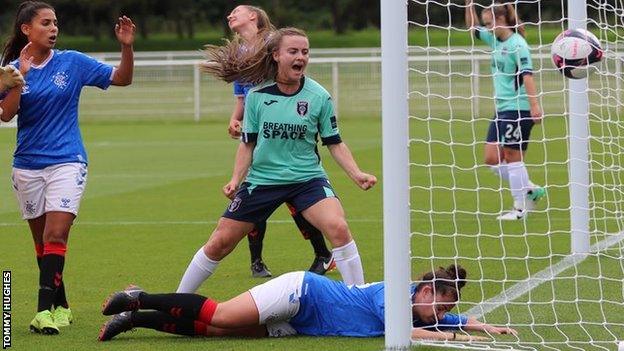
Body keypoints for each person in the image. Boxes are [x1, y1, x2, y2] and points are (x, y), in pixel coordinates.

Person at [175, 27, 377, 294]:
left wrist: (356, 173)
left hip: (307, 179)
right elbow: (247, 143)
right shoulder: (257, 96)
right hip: (263, 180)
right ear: (276, 56)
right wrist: (236, 179)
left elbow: (334, 142)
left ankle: (359, 300)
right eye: (293, 51)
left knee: (338, 227)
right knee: (220, 242)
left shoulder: (319, 96)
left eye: (305, 52)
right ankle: (177, 300)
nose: (301, 57)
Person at [0, 1, 135, 335]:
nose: (54, 28)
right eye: (46, 23)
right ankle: (61, 305)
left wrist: (126, 47)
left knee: (56, 235)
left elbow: (122, 78)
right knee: (42, 245)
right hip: (27, 165)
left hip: (67, 161)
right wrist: (19, 80)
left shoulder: (72, 62)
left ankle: (43, 311)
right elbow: (5, 115)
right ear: (26, 30)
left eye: (55, 22)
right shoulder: (12, 69)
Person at [98, 264, 517, 341]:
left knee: (216, 330)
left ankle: (135, 321)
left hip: (302, 323)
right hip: (302, 292)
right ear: (424, 292)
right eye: (440, 307)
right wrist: (455, 339)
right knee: (222, 312)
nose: (442, 315)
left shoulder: (420, 306)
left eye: (445, 311)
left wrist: (481, 326)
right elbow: (405, 332)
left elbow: (451, 319)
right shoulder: (395, 296)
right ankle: (139, 297)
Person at [222, 5, 335, 278]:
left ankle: (323, 253)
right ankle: (257, 260)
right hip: (258, 126)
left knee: (296, 194)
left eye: (236, 11)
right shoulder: (239, 54)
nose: (230, 15)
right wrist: (235, 119)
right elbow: (243, 97)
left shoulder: (275, 43)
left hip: (284, 125)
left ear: (253, 16)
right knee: (255, 195)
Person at [465, 0, 546, 220]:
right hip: (502, 108)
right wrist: (468, 4)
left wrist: (534, 106)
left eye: (489, 23)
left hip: (518, 108)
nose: (487, 28)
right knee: (491, 158)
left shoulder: (518, 44)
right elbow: (472, 28)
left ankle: (520, 209)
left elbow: (527, 75)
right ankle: (530, 189)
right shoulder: (495, 40)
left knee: (512, 157)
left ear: (500, 20)